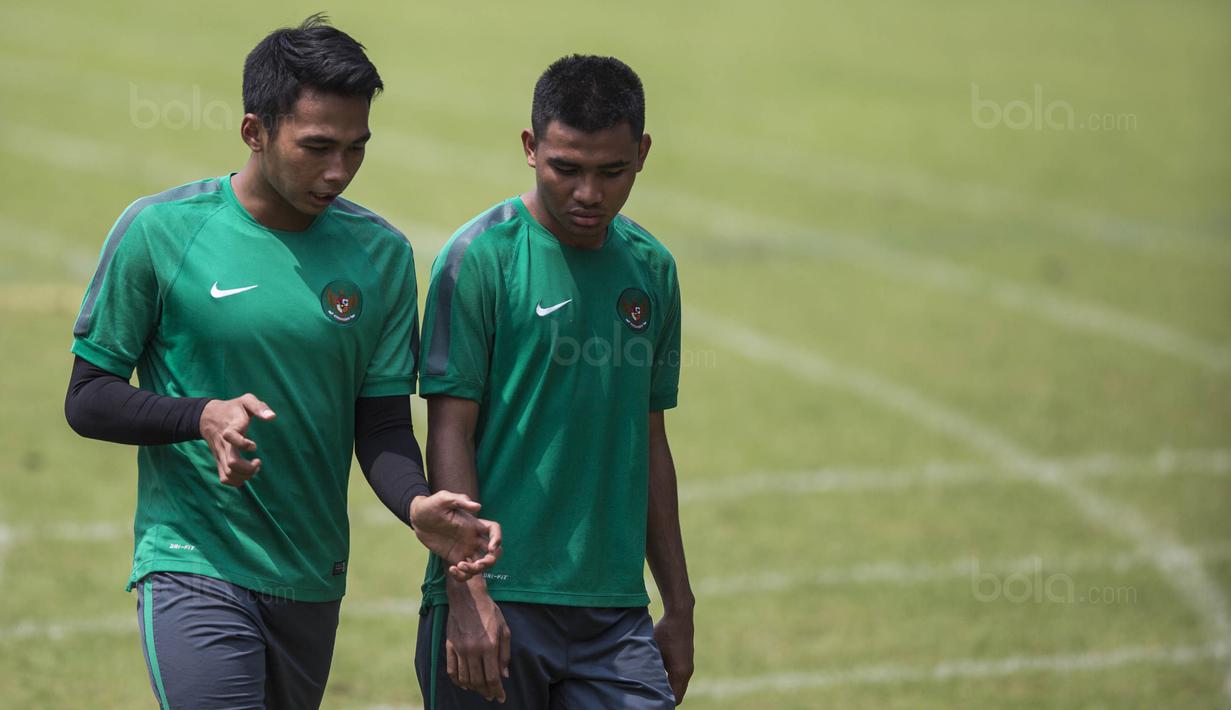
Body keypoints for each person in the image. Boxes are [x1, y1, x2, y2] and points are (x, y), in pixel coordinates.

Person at [63, 14, 500, 709]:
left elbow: (382, 427)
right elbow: (88, 397)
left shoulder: (382, 255)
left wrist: (415, 503)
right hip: (192, 559)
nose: (338, 171)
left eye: (356, 148)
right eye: (317, 147)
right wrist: (200, 417)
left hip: (310, 574)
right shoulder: (161, 231)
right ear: (254, 131)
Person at [414, 54, 694, 708]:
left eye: (612, 171)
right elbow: (450, 430)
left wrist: (678, 605)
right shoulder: (478, 259)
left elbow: (650, 440)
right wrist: (467, 589)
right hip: (498, 599)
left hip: (614, 612)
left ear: (642, 153)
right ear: (530, 147)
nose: (588, 193)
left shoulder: (651, 269)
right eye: (565, 168)